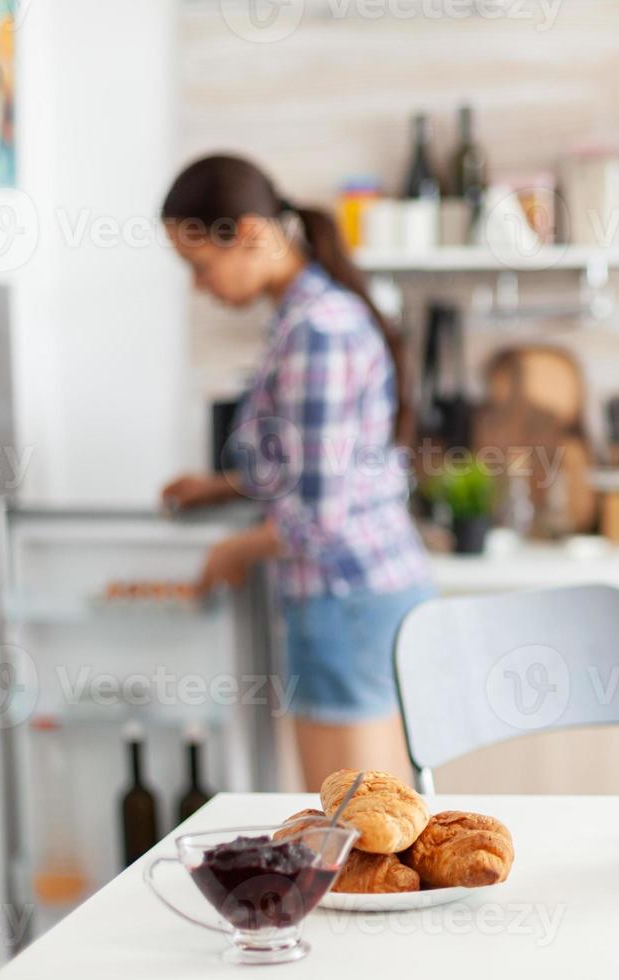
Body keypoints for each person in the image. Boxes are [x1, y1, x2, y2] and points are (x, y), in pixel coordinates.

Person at [158, 154, 432, 789]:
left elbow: (321, 517)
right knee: (373, 829)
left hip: (346, 600)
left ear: (251, 234)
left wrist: (235, 549)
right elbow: (316, 466)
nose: (199, 286)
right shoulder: (305, 317)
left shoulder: (316, 329)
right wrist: (225, 485)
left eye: (200, 266)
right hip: (358, 596)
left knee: (353, 838)